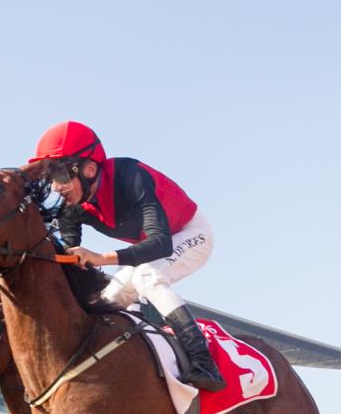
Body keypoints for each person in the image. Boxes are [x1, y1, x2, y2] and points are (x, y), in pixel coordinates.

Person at [30, 121, 226, 391]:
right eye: (51, 179)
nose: (56, 188)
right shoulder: (72, 207)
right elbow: (71, 262)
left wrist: (100, 258)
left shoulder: (131, 176)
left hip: (189, 233)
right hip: (148, 249)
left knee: (148, 276)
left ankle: (203, 361)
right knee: (108, 300)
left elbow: (160, 245)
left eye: (61, 177)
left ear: (89, 169)